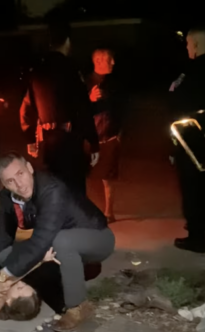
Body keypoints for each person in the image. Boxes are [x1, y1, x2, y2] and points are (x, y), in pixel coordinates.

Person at [0, 153, 115, 330]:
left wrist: (4, 276)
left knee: (59, 241)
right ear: (4, 184)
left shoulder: (51, 189)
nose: (19, 184)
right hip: (59, 246)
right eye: (10, 181)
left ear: (30, 168)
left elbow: (41, 240)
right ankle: (47, 289)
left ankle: (77, 306)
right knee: (6, 256)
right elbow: (3, 235)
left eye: (20, 174)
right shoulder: (8, 198)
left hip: (97, 239)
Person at [19, 19, 99, 195]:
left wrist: (30, 137)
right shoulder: (70, 68)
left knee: (55, 191)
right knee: (74, 193)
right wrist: (93, 142)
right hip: (69, 141)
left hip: (49, 143)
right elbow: (83, 108)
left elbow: (26, 106)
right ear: (68, 41)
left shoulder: (37, 69)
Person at [170, 25, 205, 253]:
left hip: (193, 142)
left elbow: (177, 101)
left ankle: (196, 237)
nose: (187, 48)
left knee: (193, 188)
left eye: (188, 43)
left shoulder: (191, 72)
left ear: (195, 45)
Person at [86, 49, 123, 223]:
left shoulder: (114, 83)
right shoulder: (86, 82)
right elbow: (78, 108)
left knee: (108, 176)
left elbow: (121, 108)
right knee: (85, 175)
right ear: (99, 61)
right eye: (110, 59)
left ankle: (109, 212)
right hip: (91, 136)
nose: (113, 62)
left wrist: (120, 132)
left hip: (110, 136)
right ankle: (82, 211)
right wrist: (90, 99)